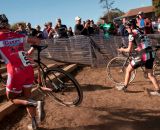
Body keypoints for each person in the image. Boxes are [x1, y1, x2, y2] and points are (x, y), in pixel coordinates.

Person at [0, 14, 45, 130]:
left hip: (14, 72)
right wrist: (27, 53)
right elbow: (36, 41)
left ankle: (36, 104)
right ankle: (34, 124)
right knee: (27, 97)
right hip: (28, 69)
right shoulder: (17, 35)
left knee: (12, 98)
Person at [116, 19, 160, 96]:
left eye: (126, 27)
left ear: (130, 26)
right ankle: (158, 91)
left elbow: (129, 49)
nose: (126, 29)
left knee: (128, 70)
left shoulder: (131, 34)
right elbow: (142, 42)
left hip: (143, 55)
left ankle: (125, 87)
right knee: (150, 74)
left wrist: (122, 49)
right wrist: (137, 47)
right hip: (150, 53)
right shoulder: (140, 31)